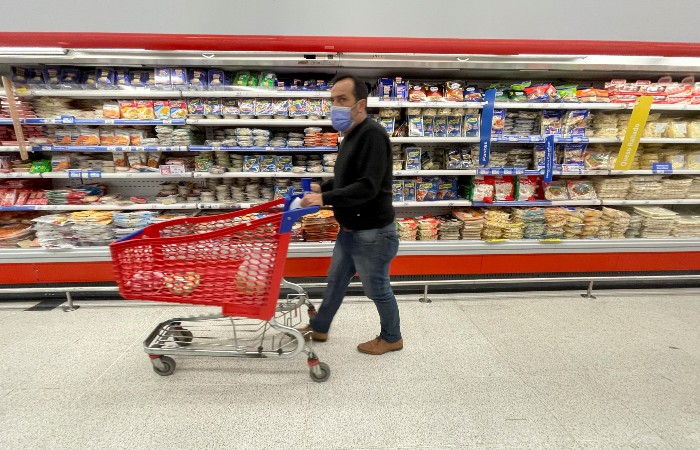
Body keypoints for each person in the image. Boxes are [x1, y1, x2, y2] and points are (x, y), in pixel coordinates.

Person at [299, 74, 403, 355]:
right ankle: (320, 327)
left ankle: (392, 337)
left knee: (377, 288)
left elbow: (367, 186)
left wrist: (325, 198)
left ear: (360, 104)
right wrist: (323, 187)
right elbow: (347, 179)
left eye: (342, 99)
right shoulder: (351, 136)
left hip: (373, 233)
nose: (336, 106)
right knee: (335, 281)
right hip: (350, 230)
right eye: (333, 100)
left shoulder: (372, 135)